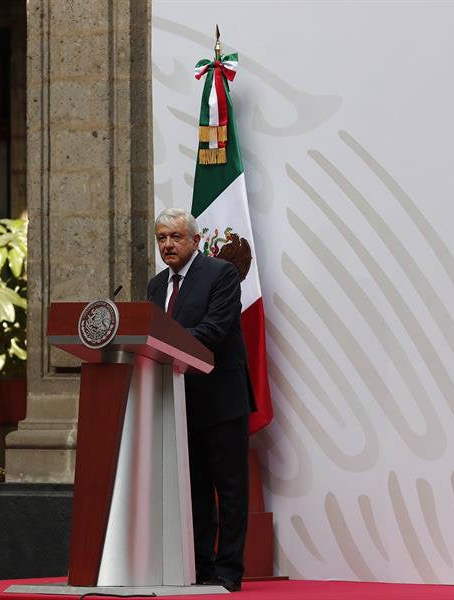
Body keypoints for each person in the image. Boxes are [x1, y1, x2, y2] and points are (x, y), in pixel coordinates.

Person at [146, 208, 255, 592]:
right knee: (192, 492)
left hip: (221, 400)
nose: (167, 245)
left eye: (175, 237)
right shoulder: (156, 286)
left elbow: (214, 329)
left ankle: (228, 570)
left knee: (229, 490)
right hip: (177, 401)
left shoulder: (220, 273)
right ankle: (200, 567)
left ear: (194, 240)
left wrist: (159, 345)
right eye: (161, 238)